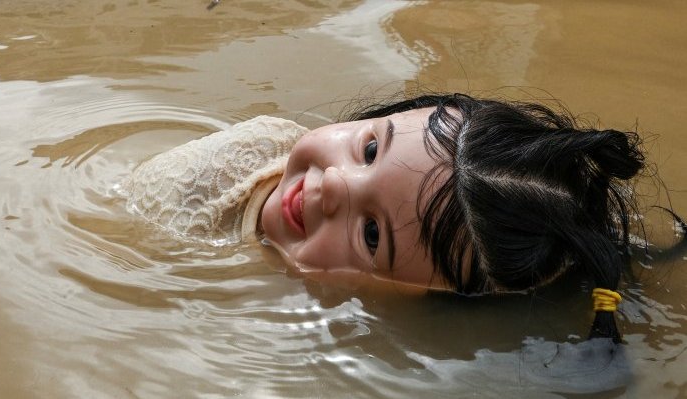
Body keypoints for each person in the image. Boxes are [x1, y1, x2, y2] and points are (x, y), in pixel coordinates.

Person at [122, 93, 683, 343]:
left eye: (371, 234)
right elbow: (116, 211)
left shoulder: (269, 327)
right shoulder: (251, 154)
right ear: (383, 114)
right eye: (369, 149)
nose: (335, 185)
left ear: (389, 305)